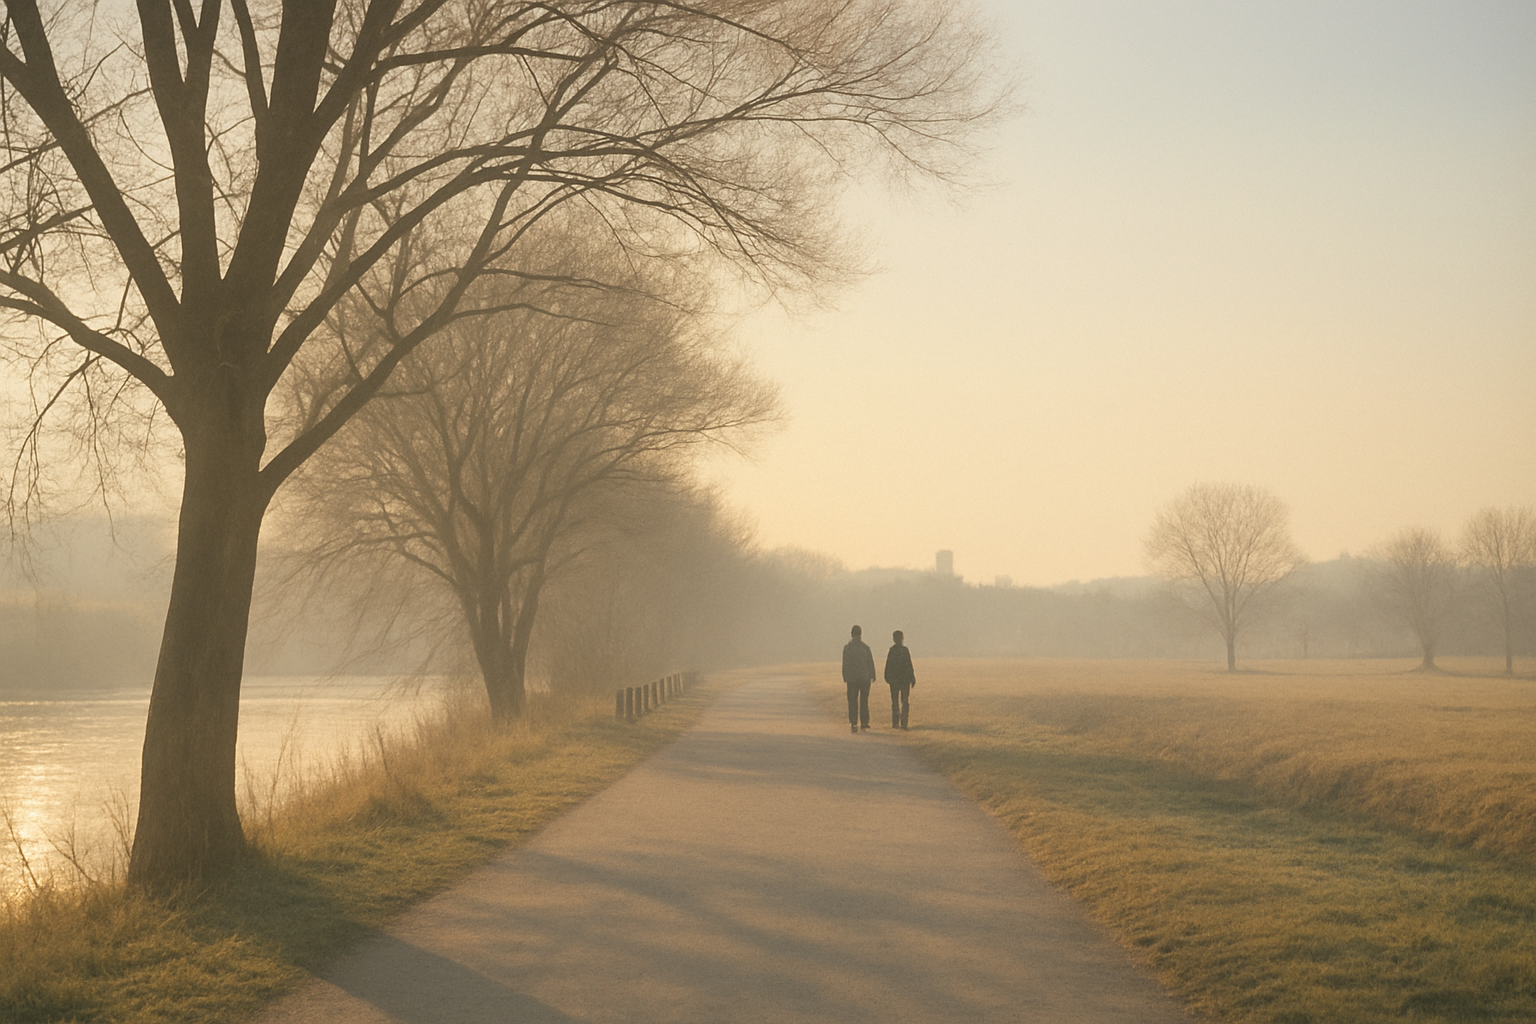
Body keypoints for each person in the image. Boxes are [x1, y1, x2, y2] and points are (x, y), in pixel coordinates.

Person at [841, 624, 876, 733]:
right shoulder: (865, 647)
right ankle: (864, 722)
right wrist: (872, 674)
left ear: (852, 634)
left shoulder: (847, 648)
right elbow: (870, 662)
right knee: (864, 701)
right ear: (860, 634)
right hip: (864, 678)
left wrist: (845, 676)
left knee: (852, 701)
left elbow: (845, 664)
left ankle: (854, 722)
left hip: (852, 678)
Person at [884, 629, 916, 729]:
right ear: (902, 638)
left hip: (894, 680)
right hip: (904, 680)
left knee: (895, 702)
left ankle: (895, 722)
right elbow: (909, 665)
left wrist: (887, 677)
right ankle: (904, 722)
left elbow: (888, 665)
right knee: (905, 701)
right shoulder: (905, 650)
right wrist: (912, 678)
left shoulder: (892, 651)